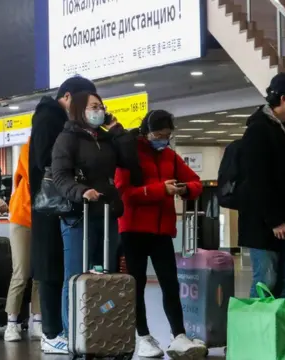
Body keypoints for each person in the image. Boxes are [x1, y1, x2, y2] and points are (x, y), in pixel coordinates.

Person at [114, 110, 206, 359]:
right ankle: (142, 336)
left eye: (167, 136)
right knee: (137, 284)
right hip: (132, 229)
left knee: (170, 283)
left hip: (162, 230)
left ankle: (178, 335)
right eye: (159, 135)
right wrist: (159, 190)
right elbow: (125, 194)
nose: (163, 140)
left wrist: (185, 189)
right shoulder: (129, 155)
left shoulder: (170, 156)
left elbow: (197, 182)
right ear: (146, 132)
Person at [28, 75, 97, 354]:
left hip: (61, 205)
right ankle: (51, 331)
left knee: (61, 267)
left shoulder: (60, 120)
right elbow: (45, 158)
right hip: (49, 205)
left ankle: (60, 329)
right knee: (50, 268)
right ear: (67, 97)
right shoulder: (47, 117)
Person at [51, 91, 125, 338]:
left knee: (105, 275)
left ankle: (100, 327)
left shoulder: (105, 139)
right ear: (80, 109)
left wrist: (116, 129)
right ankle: (71, 332)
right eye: (94, 106)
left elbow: (130, 161)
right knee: (75, 274)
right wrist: (80, 191)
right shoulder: (66, 138)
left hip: (106, 214)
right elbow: (60, 177)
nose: (99, 110)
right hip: (78, 215)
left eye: (102, 106)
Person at [239, 72, 285, 300]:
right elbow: (257, 179)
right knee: (266, 280)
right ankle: (257, 332)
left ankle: (284, 327)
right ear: (284, 99)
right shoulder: (258, 130)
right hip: (264, 220)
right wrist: (274, 219)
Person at [4, 139, 42, 342]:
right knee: (21, 272)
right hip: (21, 216)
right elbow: (32, 176)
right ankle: (12, 323)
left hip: (42, 218)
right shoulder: (30, 147)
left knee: (39, 272)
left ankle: (37, 321)